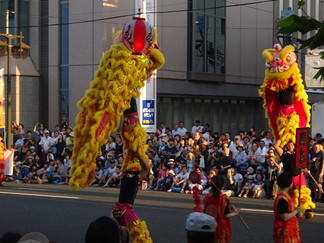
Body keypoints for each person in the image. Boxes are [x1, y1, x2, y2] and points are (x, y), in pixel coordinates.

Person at [204, 175, 239, 243]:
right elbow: (225, 215)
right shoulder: (223, 199)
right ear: (222, 185)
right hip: (219, 227)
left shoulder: (207, 197)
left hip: (208, 225)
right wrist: (235, 213)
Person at [273, 172, 301, 243]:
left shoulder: (287, 196)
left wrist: (297, 213)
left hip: (291, 229)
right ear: (290, 184)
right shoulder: (282, 199)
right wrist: (296, 211)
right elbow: (285, 217)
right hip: (285, 230)